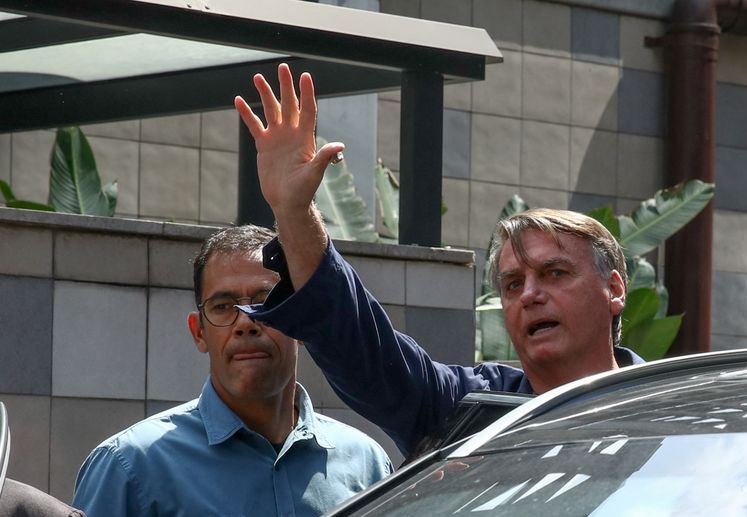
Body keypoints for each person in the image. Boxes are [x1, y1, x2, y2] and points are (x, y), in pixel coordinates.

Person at [233, 64, 645, 458]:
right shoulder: (469, 413)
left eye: (555, 273)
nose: (530, 295)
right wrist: (294, 212)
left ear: (613, 289)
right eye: (513, 284)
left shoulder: (681, 408)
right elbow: (359, 345)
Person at [72, 225, 393, 517]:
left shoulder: (368, 465)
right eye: (223, 306)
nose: (245, 322)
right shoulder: (130, 467)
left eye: (265, 301)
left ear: (302, 321)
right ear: (199, 332)